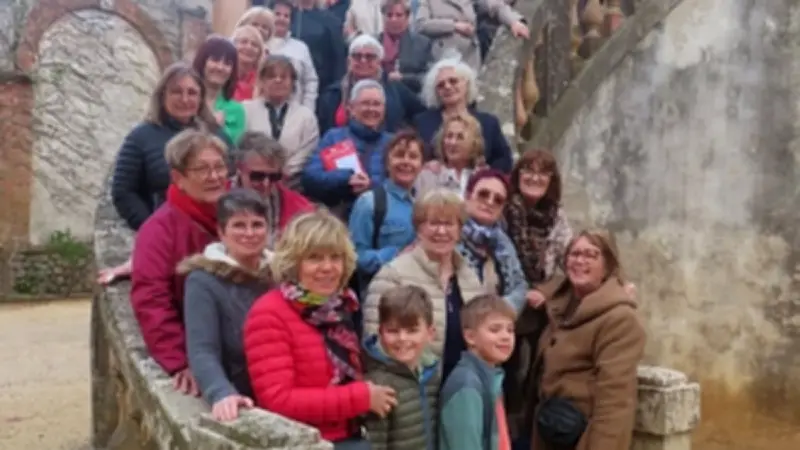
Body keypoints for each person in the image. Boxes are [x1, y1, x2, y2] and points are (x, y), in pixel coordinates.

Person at [244, 210, 397, 448]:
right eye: (315, 258)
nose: (327, 267)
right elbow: (278, 400)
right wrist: (360, 398)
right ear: (295, 263)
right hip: (307, 442)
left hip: (353, 432)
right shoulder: (269, 313)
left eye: (335, 257)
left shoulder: (342, 305)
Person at [130, 129, 229, 395]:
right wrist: (179, 362)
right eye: (202, 169)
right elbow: (152, 299)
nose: (215, 177)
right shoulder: (158, 230)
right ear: (178, 178)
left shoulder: (236, 215)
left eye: (220, 167)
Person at [530, 230, 646, 450]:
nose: (580, 261)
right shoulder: (563, 306)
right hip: (552, 432)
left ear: (608, 266)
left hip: (582, 438)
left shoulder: (619, 319)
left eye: (591, 255)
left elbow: (615, 402)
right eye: (574, 254)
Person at [363, 189, 486, 380]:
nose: (441, 231)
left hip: (461, 392)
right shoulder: (392, 275)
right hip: (412, 394)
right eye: (434, 223)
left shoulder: (469, 277)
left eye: (449, 223)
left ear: (459, 230)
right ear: (418, 228)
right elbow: (374, 346)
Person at [181, 189, 273, 421]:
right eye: (239, 225)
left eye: (257, 224)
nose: (249, 233)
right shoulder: (203, 280)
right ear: (222, 232)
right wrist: (220, 392)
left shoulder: (282, 272)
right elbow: (202, 349)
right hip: (243, 390)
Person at [501, 149, 572, 449]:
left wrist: (544, 290)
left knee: (534, 378)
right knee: (508, 380)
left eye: (543, 172)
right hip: (504, 306)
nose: (534, 177)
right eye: (528, 170)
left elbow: (569, 264)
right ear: (517, 175)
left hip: (542, 307)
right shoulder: (504, 209)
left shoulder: (557, 216)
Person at [302, 79, 394, 219]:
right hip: (338, 216)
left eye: (377, 104)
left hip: (380, 217)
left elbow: (402, 183)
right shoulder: (333, 137)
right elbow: (310, 177)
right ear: (351, 108)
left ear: (384, 109)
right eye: (365, 103)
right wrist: (347, 178)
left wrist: (371, 185)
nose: (371, 109)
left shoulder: (393, 142)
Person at [363, 285, 440, 450]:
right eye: (393, 331)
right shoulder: (377, 384)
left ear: (430, 333)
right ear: (381, 333)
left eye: (412, 331)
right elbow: (375, 444)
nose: (402, 338)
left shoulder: (433, 373)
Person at [439, 293, 517, 450]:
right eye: (495, 330)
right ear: (470, 336)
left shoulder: (492, 375)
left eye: (510, 330)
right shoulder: (466, 386)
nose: (505, 337)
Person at [348, 129, 423, 289]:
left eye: (413, 157)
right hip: (380, 296)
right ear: (387, 163)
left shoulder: (424, 205)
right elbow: (353, 257)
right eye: (399, 155)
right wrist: (395, 255)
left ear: (421, 165)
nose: (406, 161)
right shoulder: (369, 203)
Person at [413, 58, 513, 172]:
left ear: (467, 84)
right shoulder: (422, 122)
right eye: (440, 85)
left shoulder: (489, 123)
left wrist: (487, 172)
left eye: (453, 81)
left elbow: (504, 160)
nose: (447, 86)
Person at [316, 35, 425, 135]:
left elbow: (423, 114)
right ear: (349, 61)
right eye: (357, 56)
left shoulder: (397, 90)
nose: (363, 61)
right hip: (341, 152)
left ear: (379, 62)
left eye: (370, 57)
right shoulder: (333, 93)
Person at [242, 55, 319, 190]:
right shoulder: (245, 109)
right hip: (252, 183)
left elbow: (307, 150)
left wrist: (281, 174)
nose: (278, 80)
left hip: (292, 184)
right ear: (261, 81)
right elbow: (241, 145)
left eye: (284, 77)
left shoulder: (306, 116)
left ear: (292, 82)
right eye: (271, 76)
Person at [458, 169, 527, 311]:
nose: (490, 202)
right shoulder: (447, 233)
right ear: (467, 196)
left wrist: (499, 311)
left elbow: (519, 286)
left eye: (498, 200)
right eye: (483, 194)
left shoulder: (504, 243)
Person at [232, 131, 314, 247]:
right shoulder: (216, 198)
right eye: (257, 176)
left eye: (274, 177)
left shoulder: (300, 208)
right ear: (240, 168)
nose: (266, 184)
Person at [414, 0, 528, 70]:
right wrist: (454, 26)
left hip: (470, 54)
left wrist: (514, 22)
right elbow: (421, 24)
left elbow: (494, 6)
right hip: (445, 56)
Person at [414, 113, 485, 199]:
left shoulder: (482, 178)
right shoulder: (427, 175)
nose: (452, 142)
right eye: (449, 136)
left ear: (474, 143)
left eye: (460, 137)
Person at [192, 35, 247, 145]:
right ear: (202, 62)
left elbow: (235, 151)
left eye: (227, 63)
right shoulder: (187, 100)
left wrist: (219, 131)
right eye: (215, 60)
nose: (220, 67)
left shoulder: (237, 110)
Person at [266, 0, 319, 110]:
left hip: (294, 112)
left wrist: (307, 110)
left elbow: (311, 82)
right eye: (277, 14)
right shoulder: (260, 44)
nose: (282, 19)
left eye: (286, 16)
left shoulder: (301, 48)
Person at [376, 0, 433, 93]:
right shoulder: (374, 43)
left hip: (413, 95)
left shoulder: (423, 43)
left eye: (398, 15)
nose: (393, 19)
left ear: (407, 18)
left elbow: (430, 77)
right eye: (389, 15)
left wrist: (404, 78)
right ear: (383, 17)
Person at [232, 25, 266, 101]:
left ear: (259, 52)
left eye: (254, 45)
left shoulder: (263, 81)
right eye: (244, 42)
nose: (249, 47)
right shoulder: (223, 74)